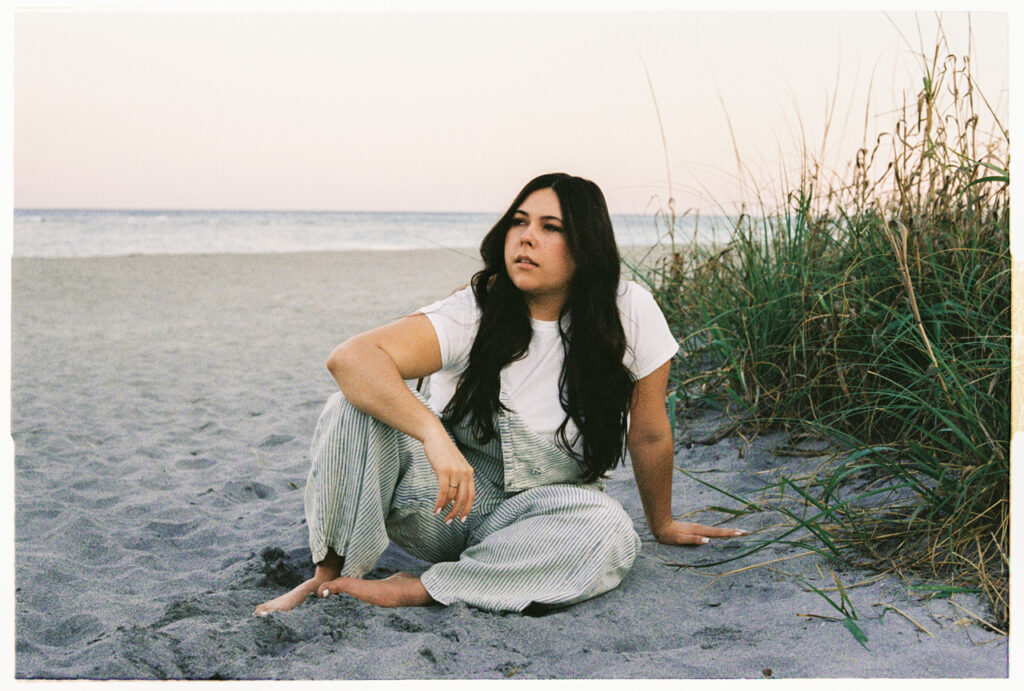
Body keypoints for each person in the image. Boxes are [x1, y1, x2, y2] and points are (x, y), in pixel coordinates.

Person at [254, 173, 744, 616]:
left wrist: (662, 523)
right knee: (351, 407)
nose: (526, 237)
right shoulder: (474, 310)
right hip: (448, 501)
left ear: (586, 246)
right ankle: (328, 575)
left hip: (545, 512)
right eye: (519, 222)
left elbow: (650, 432)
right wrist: (433, 435)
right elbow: (352, 359)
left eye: (551, 227)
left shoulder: (629, 311)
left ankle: (421, 588)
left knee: (610, 529)